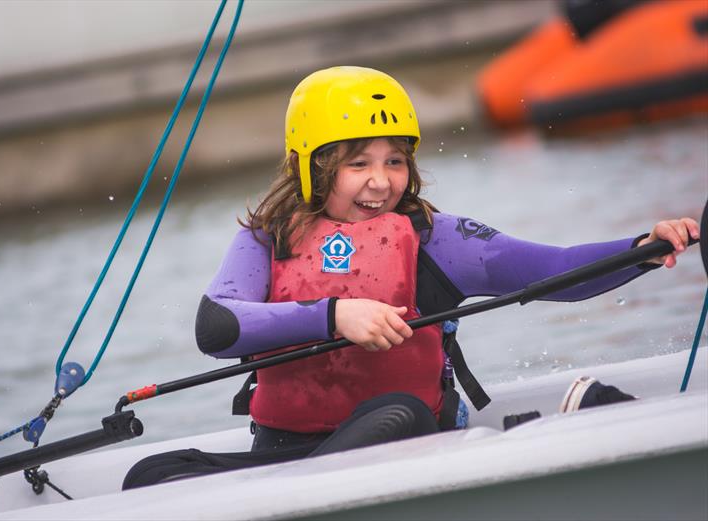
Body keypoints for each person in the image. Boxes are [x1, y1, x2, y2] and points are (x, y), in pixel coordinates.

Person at [123, 66, 699, 489]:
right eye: (358, 163)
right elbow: (217, 326)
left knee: (400, 411)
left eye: (395, 161)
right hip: (283, 458)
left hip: (407, 443)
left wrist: (640, 250)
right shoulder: (265, 238)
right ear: (313, 167)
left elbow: (552, 270)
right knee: (147, 474)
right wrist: (335, 314)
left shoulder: (433, 236)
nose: (381, 182)